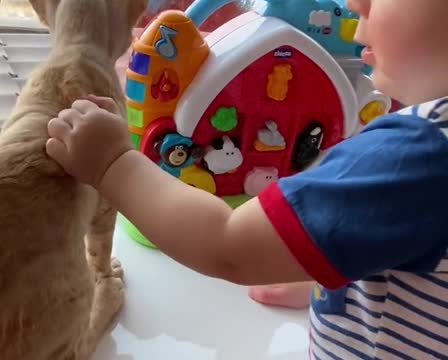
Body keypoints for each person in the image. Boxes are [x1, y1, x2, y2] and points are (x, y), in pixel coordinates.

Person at [45, 0, 448, 358]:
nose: (356, 3)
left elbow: (227, 244)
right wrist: (327, 271)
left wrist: (112, 164)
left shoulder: (420, 156)